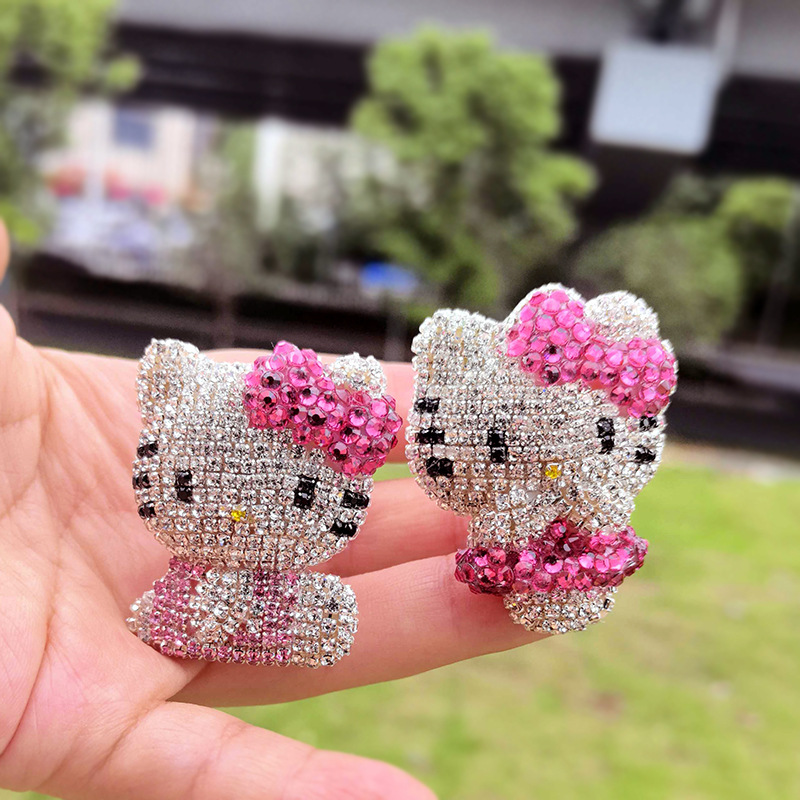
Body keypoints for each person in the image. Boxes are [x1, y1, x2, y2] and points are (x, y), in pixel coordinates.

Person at [0, 221, 538, 800]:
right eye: (187, 485)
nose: (238, 515)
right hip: (189, 606)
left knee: (310, 616)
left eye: (302, 494)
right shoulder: (177, 591)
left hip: (263, 606)